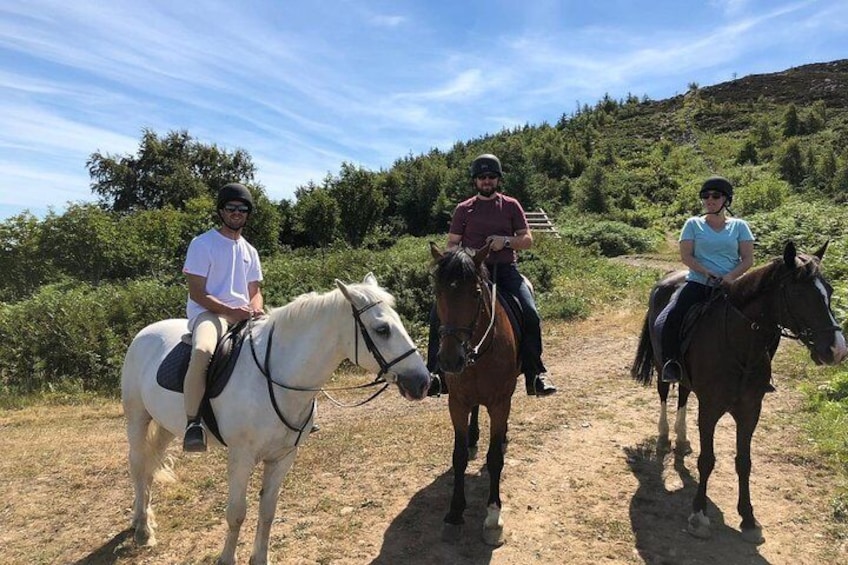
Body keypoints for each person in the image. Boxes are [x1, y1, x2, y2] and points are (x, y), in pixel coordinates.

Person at [427, 153, 557, 396]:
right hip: (472, 274)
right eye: (482, 177)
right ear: (475, 181)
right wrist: (467, 255)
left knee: (530, 313)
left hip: (505, 271)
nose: (486, 181)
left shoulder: (510, 205)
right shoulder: (463, 210)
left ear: (498, 180)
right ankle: (435, 373)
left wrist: (505, 241)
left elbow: (527, 240)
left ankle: (535, 372)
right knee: (438, 314)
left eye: (491, 177)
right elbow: (452, 244)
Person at [181, 182, 264, 452]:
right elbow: (196, 292)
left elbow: (255, 291)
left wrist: (256, 308)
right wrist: (230, 311)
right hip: (209, 313)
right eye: (231, 208)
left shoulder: (250, 251)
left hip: (243, 314)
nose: (236, 213)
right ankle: (193, 423)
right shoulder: (203, 244)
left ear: (247, 213)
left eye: (242, 209)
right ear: (221, 211)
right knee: (204, 350)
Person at [658, 176, 754, 384]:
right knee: (672, 316)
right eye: (705, 196)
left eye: (716, 196)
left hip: (732, 285)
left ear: (726, 200)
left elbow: (748, 259)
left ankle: (759, 370)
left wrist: (730, 277)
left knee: (760, 319)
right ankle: (671, 363)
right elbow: (687, 256)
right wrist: (706, 272)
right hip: (699, 283)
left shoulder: (740, 226)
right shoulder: (692, 224)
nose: (709, 200)